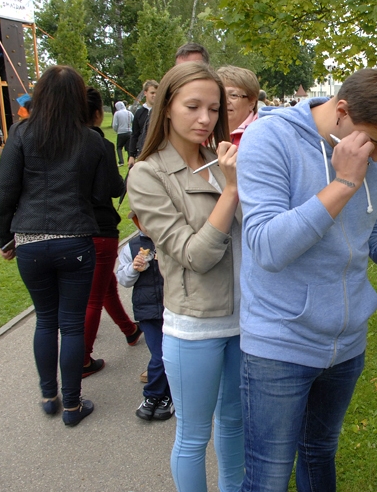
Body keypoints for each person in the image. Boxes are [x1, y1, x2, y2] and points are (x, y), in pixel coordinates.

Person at [237, 68, 377, 492]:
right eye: (376, 143)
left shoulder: (374, 157)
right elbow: (267, 248)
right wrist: (343, 182)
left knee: (320, 453)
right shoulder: (269, 140)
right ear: (341, 111)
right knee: (268, 476)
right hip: (279, 343)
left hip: (346, 345)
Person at [127, 61, 243, 491]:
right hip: (194, 325)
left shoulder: (220, 159)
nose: (205, 118)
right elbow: (195, 255)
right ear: (166, 107)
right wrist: (231, 190)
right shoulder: (147, 173)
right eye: (193, 106)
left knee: (235, 426)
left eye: (214, 109)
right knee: (194, 435)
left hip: (244, 320)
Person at [0, 65, 112, 427]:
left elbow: (5, 193)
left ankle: (49, 395)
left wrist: (5, 239)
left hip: (30, 240)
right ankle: (73, 406)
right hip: (75, 239)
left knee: (45, 320)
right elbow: (102, 192)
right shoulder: (91, 139)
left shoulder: (21, 133)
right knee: (71, 325)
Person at [82, 87, 142, 378]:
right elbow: (114, 188)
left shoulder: (57, 144)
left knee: (104, 286)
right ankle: (82, 357)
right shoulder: (98, 144)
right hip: (100, 227)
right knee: (95, 295)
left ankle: (129, 329)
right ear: (96, 113)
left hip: (74, 228)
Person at [116, 211, 173, 421]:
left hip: (172, 309)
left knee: (167, 356)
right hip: (147, 312)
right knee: (160, 355)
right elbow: (123, 279)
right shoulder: (131, 248)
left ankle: (159, 396)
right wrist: (134, 268)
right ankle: (157, 396)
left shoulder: (170, 239)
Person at [216, 65, 260, 146]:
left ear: (252, 103)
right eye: (220, 94)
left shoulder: (261, 134)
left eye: (233, 95)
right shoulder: (205, 130)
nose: (225, 101)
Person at [128, 79, 158, 167]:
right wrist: (131, 155)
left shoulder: (161, 112)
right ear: (145, 93)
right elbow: (134, 135)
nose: (155, 95)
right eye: (152, 93)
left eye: (157, 93)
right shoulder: (139, 113)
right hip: (142, 151)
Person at [112, 100, 134, 166]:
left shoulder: (117, 113)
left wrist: (117, 130)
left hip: (121, 133)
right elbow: (134, 120)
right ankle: (129, 160)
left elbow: (115, 125)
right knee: (128, 148)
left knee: (119, 147)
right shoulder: (129, 113)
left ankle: (121, 161)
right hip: (129, 132)